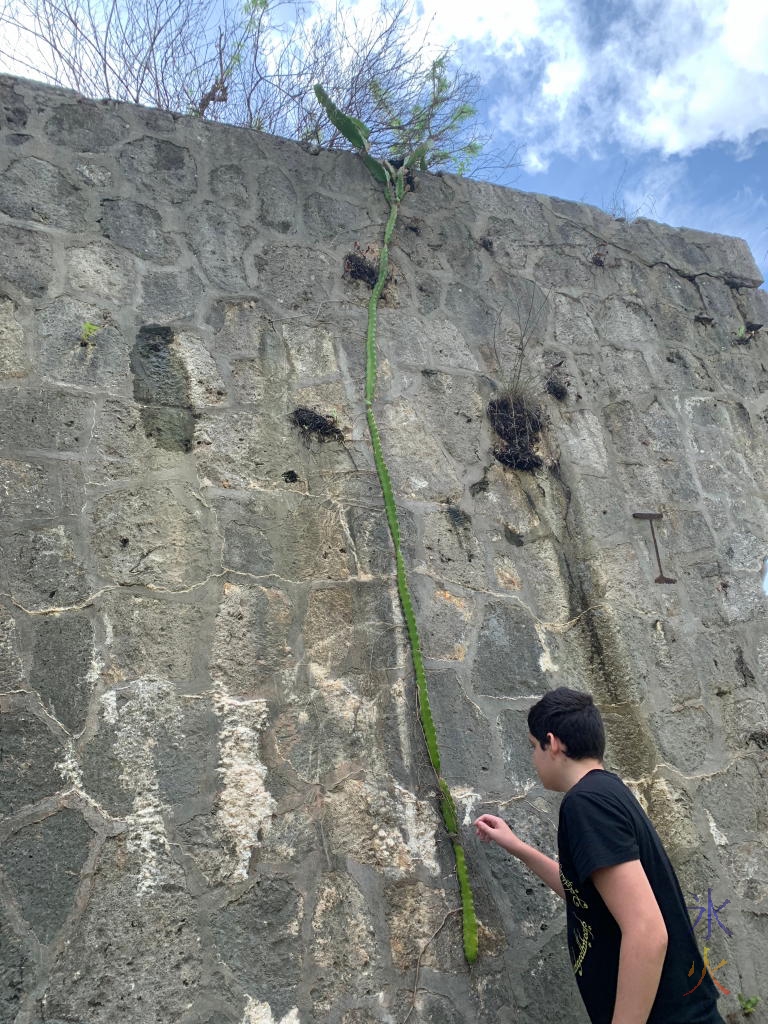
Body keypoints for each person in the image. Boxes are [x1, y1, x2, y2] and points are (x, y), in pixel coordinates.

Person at [474, 687, 726, 1024]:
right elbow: (587, 897)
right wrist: (517, 846)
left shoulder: (586, 804)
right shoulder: (607, 792)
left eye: (533, 747)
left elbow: (648, 932)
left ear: (554, 743)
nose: (533, 759)